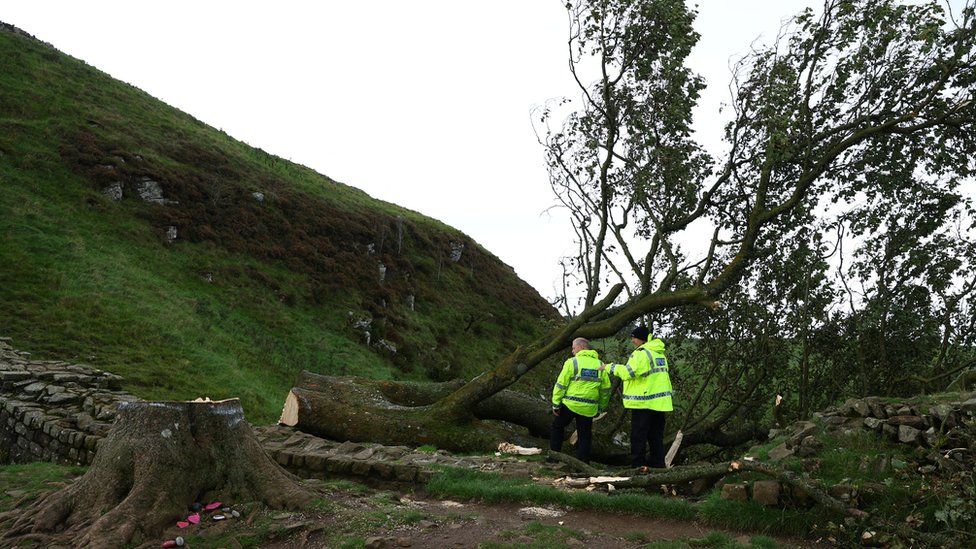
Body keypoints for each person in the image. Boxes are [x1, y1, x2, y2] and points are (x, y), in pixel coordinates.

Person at [601, 326, 673, 469]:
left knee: (638, 437)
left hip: (643, 403)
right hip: (659, 403)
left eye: (633, 337)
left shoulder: (641, 354)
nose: (632, 340)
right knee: (656, 437)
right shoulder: (658, 354)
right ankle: (658, 467)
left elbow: (628, 372)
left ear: (640, 338)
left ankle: (638, 467)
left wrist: (609, 367)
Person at [550, 337, 611, 463]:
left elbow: (561, 384)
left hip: (570, 404)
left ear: (581, 347)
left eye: (573, 348)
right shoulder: (600, 365)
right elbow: (605, 390)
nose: (572, 351)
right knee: (585, 435)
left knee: (557, 426)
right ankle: (583, 463)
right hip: (589, 408)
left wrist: (556, 404)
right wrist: (600, 408)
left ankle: (554, 457)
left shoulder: (572, 362)